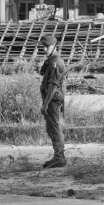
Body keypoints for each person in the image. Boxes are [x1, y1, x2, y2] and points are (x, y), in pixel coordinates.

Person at [38, 34, 67, 168]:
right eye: (43, 46)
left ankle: (59, 158)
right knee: (51, 128)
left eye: (47, 46)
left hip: (53, 99)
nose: (44, 49)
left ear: (55, 46)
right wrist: (47, 60)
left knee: (54, 128)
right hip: (52, 98)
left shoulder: (56, 62)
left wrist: (46, 104)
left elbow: (53, 85)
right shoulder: (51, 60)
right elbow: (42, 72)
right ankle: (58, 156)